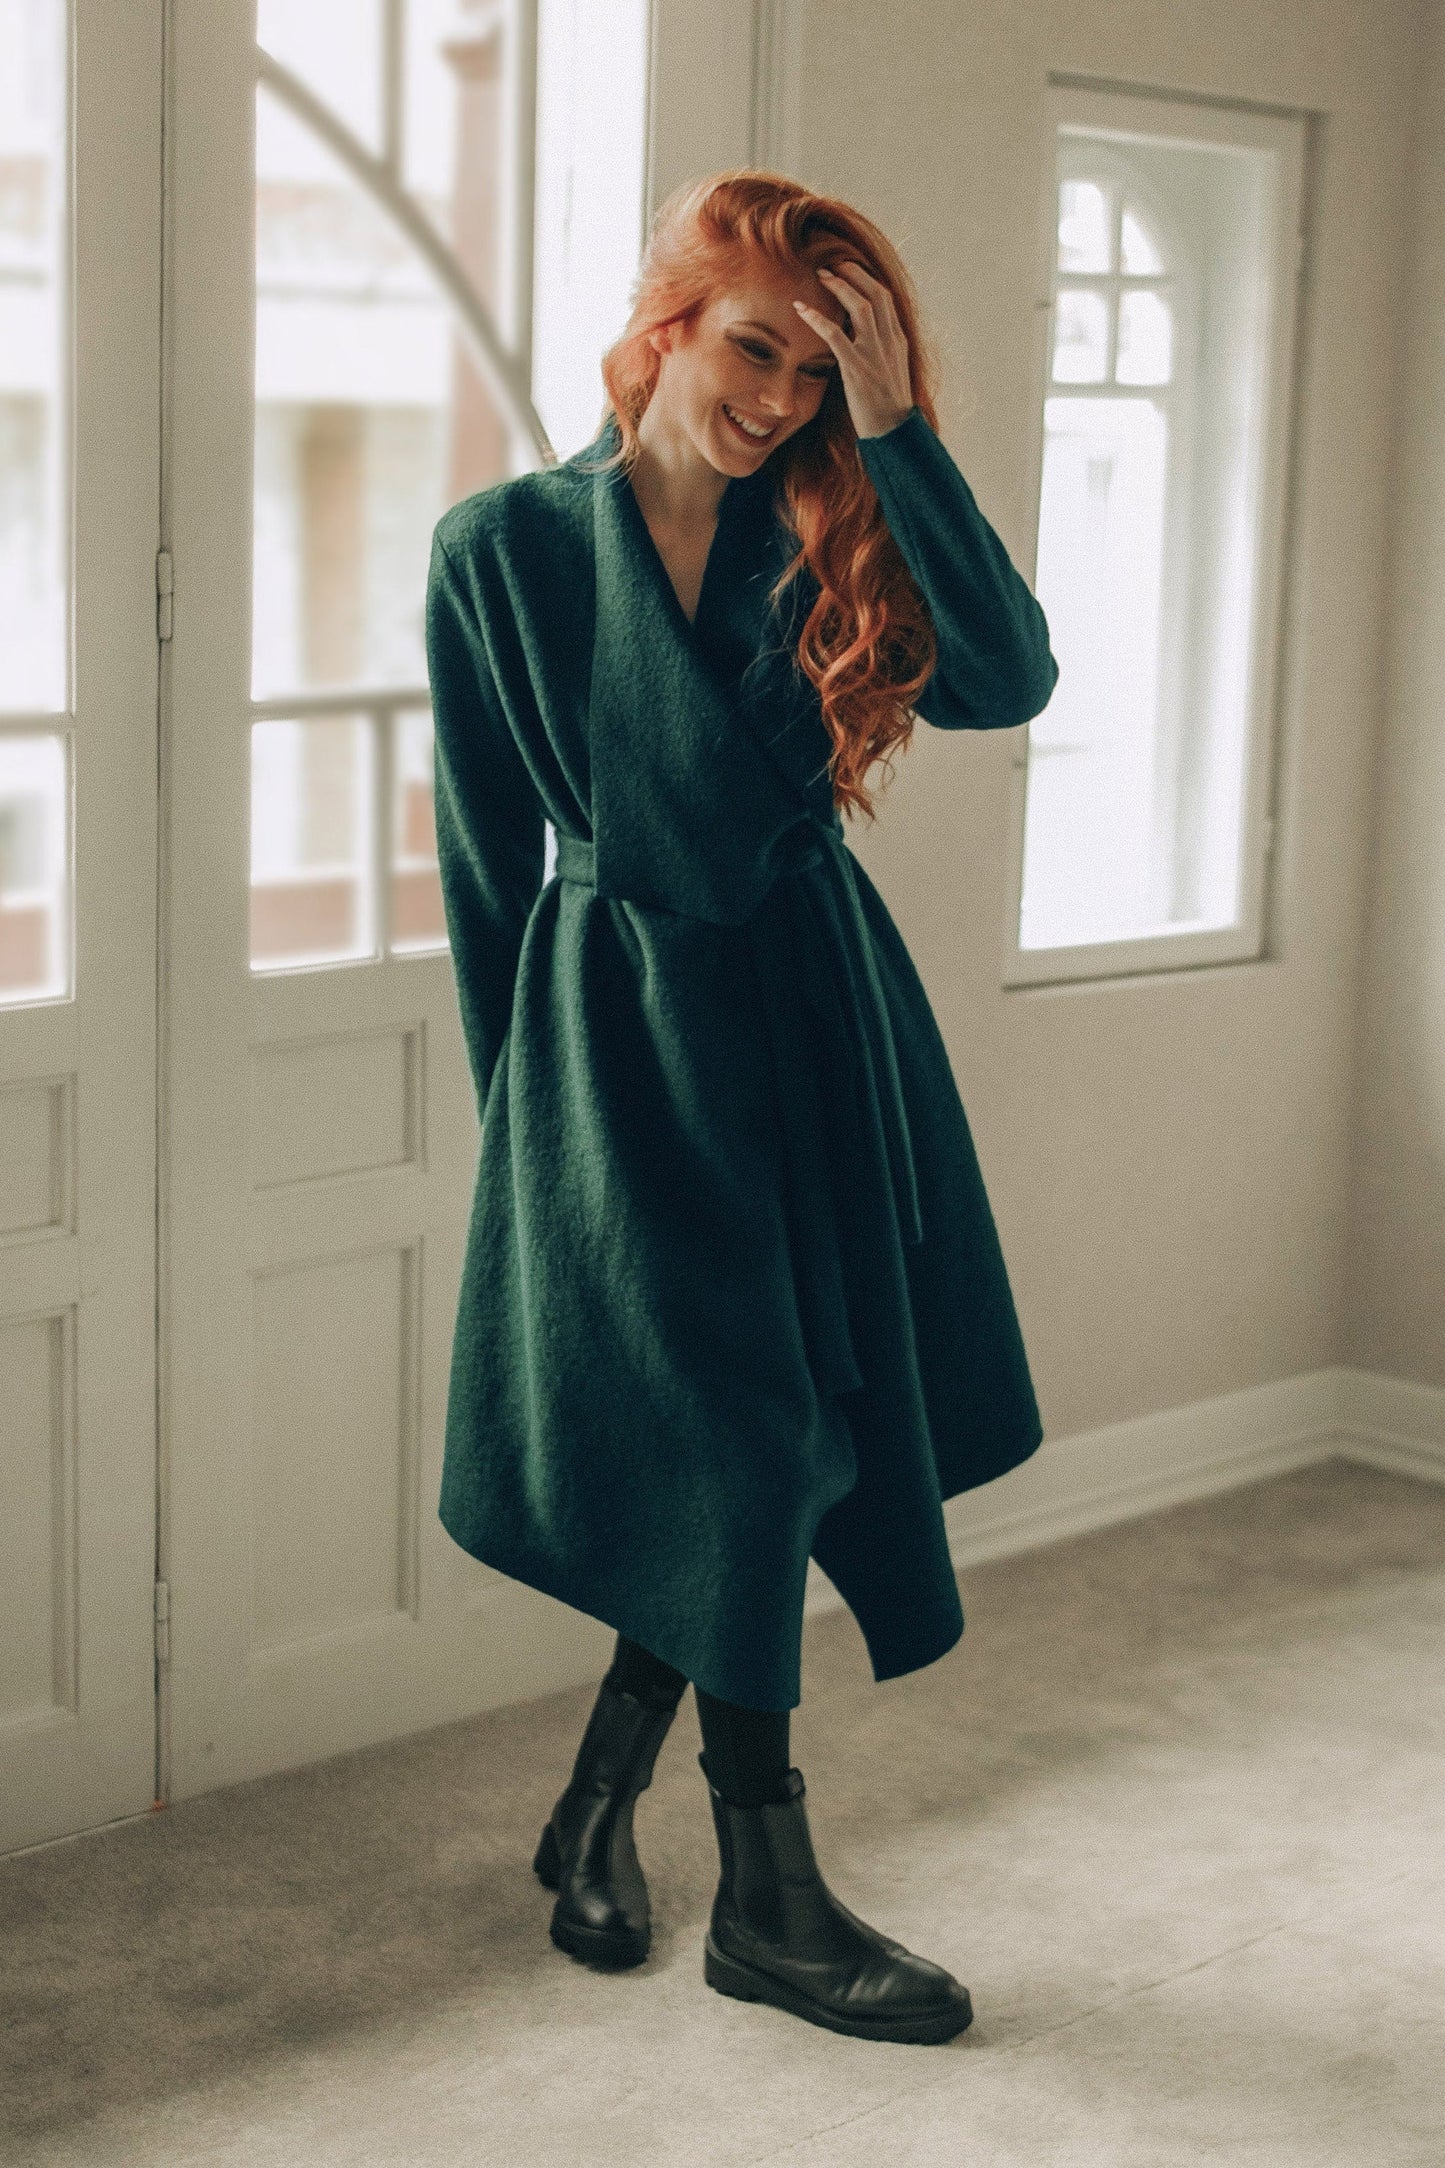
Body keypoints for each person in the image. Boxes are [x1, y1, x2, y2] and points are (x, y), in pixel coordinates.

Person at [425, 169, 1059, 2046]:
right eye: (756, 346)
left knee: (776, 1434)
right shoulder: (504, 551)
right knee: (743, 1440)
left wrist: (898, 431)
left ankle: (603, 1806)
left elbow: (1008, 681)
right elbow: (478, 863)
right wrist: (525, 1146)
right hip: (611, 1043)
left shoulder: (834, 519)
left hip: (804, 1018)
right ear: (667, 325)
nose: (779, 395)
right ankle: (764, 1894)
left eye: (821, 366)